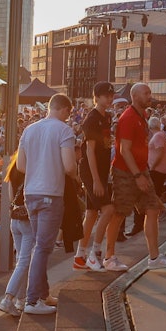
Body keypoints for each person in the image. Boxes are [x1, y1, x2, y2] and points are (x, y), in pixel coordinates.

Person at [104, 84, 166, 271]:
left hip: (140, 170)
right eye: (146, 93)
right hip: (126, 172)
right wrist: (138, 175)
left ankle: (154, 257)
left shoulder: (142, 116)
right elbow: (124, 150)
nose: (149, 96)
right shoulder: (129, 117)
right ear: (135, 96)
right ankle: (109, 256)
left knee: (153, 209)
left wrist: (142, 171)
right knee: (120, 212)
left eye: (149, 93)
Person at [16, 93, 79, 315]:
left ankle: (43, 294)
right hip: (51, 193)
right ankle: (32, 301)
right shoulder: (63, 130)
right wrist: (73, 175)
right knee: (42, 247)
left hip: (30, 192)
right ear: (64, 110)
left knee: (38, 246)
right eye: (68, 113)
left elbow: (21, 166)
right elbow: (70, 166)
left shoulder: (29, 130)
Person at [76, 81, 115, 272]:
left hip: (99, 171)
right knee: (108, 210)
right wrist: (97, 180)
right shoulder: (91, 119)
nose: (109, 98)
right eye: (106, 95)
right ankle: (95, 254)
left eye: (111, 95)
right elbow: (90, 152)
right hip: (91, 172)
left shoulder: (107, 117)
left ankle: (79, 255)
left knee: (91, 214)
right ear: (96, 97)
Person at [0, 156, 34, 317]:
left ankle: (20, 299)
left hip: (15, 218)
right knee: (24, 261)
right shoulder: (30, 171)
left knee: (21, 260)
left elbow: (11, 198)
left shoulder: (12, 172)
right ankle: (8, 298)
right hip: (26, 219)